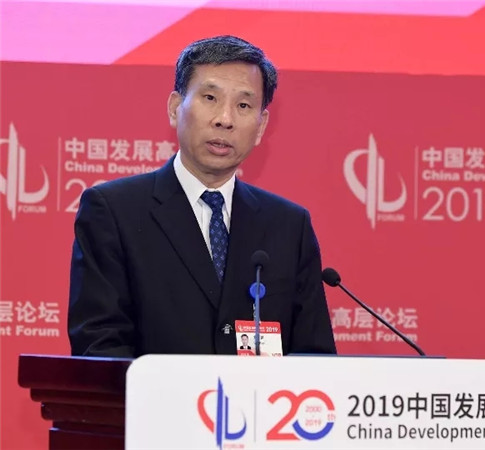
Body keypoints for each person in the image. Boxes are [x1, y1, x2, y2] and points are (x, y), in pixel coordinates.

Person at [68, 35, 336, 358]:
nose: (225, 119)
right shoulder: (114, 212)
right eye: (210, 97)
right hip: (155, 393)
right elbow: (99, 347)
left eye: (243, 105)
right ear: (174, 108)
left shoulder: (289, 226)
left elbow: (314, 358)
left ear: (261, 125)